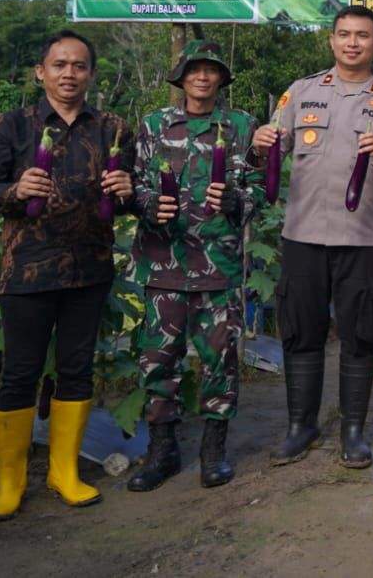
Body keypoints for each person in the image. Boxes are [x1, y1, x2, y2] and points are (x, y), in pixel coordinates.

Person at [0, 30, 135, 520]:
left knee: (76, 370)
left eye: (79, 65)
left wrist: (126, 189)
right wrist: (15, 190)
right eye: (59, 65)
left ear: (91, 74)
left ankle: (64, 472)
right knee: (20, 374)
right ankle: (10, 484)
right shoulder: (13, 125)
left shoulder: (112, 128)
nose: (69, 74)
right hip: (27, 269)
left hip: (89, 269)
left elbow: (127, 198)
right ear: (40, 72)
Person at [252, 6, 373, 469]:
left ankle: (353, 431)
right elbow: (271, 152)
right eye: (344, 34)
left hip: (362, 237)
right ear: (331, 40)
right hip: (303, 233)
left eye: (362, 35)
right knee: (301, 329)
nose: (352, 43)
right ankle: (300, 426)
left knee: (360, 333)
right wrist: (260, 144)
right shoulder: (301, 92)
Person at [126, 40, 263, 492]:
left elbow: (259, 187)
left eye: (211, 70)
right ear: (181, 77)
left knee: (219, 358)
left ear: (221, 78)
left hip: (217, 266)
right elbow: (134, 183)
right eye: (194, 69)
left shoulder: (240, 126)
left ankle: (213, 450)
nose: (202, 77)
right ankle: (162, 450)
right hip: (163, 261)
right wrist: (148, 204)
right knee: (157, 360)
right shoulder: (154, 125)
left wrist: (237, 201)